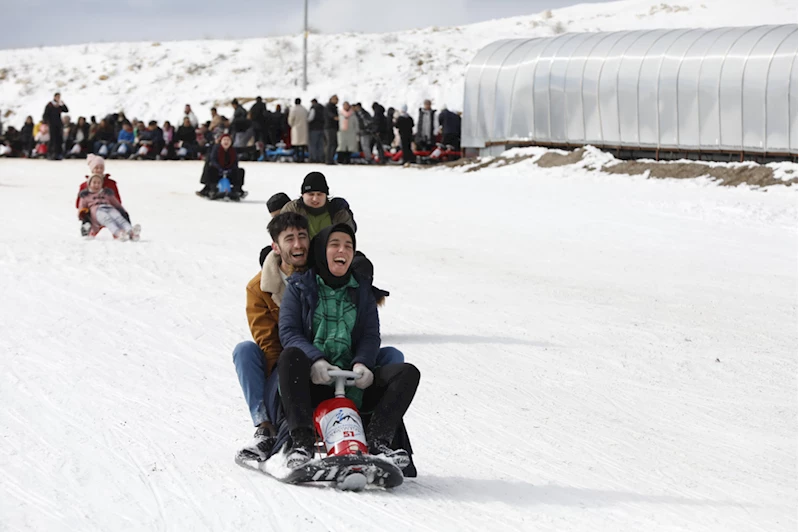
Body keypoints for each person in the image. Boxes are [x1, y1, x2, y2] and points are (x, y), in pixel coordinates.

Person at [233, 214, 406, 462]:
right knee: (246, 351)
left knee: (393, 357)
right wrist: (299, 367)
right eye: (289, 239)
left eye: (302, 237)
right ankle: (266, 427)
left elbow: (368, 328)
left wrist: (361, 362)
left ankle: (374, 432)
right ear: (276, 246)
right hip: (292, 361)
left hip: (340, 358)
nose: (298, 245)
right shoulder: (263, 287)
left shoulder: (329, 268)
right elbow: (275, 340)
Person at [275, 224, 419, 470]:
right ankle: (302, 442)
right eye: (335, 244)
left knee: (407, 373)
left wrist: (363, 362)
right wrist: (315, 360)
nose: (342, 250)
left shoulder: (361, 291)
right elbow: (289, 332)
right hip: (314, 382)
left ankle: (379, 441)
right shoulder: (300, 287)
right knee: (290, 357)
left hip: (353, 382)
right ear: (322, 250)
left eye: (348, 246)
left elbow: (371, 335)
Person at [280, 172, 355, 240]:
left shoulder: (337, 211)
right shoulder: (292, 210)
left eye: (319, 194)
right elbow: (282, 237)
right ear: (303, 195)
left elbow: (347, 238)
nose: (315, 199)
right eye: (311, 194)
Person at [78, 174, 140, 241]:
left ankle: (131, 231)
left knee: (119, 218)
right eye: (94, 183)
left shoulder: (106, 193)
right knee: (108, 220)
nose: (96, 185)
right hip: (97, 211)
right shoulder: (86, 195)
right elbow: (81, 207)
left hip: (109, 208)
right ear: (89, 184)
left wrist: (122, 211)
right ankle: (119, 233)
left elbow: (116, 203)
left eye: (99, 183)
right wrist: (83, 214)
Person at [197, 134, 246, 201]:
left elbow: (235, 163)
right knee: (210, 169)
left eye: (228, 140)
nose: (226, 142)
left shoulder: (233, 150)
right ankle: (212, 189)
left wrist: (230, 170)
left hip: (229, 171)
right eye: (224, 140)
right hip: (218, 171)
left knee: (240, 171)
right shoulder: (216, 149)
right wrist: (220, 169)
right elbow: (213, 160)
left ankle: (237, 190)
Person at [43, 92, 68, 159]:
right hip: (52, 124)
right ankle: (51, 153)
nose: (58, 98)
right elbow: (45, 115)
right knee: (52, 140)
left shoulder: (59, 105)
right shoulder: (50, 105)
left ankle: (58, 153)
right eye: (57, 97)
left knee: (59, 139)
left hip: (58, 125)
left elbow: (66, 110)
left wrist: (63, 104)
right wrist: (46, 122)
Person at [288, 98, 308, 163]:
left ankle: (296, 157)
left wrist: (292, 125)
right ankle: (302, 157)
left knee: (296, 144)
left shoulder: (293, 109)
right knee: (302, 145)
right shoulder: (304, 109)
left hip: (296, 128)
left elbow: (291, 120)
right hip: (304, 128)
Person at [307, 98, 325, 163]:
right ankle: (320, 158)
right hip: (322, 128)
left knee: (313, 144)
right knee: (320, 145)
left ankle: (313, 158)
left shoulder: (313, 108)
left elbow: (310, 118)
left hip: (314, 128)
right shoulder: (323, 108)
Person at [323, 95, 339, 165]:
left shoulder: (334, 107)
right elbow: (329, 114)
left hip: (333, 127)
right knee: (330, 143)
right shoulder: (329, 107)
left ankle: (331, 158)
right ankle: (328, 159)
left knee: (334, 143)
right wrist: (334, 117)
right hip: (329, 127)